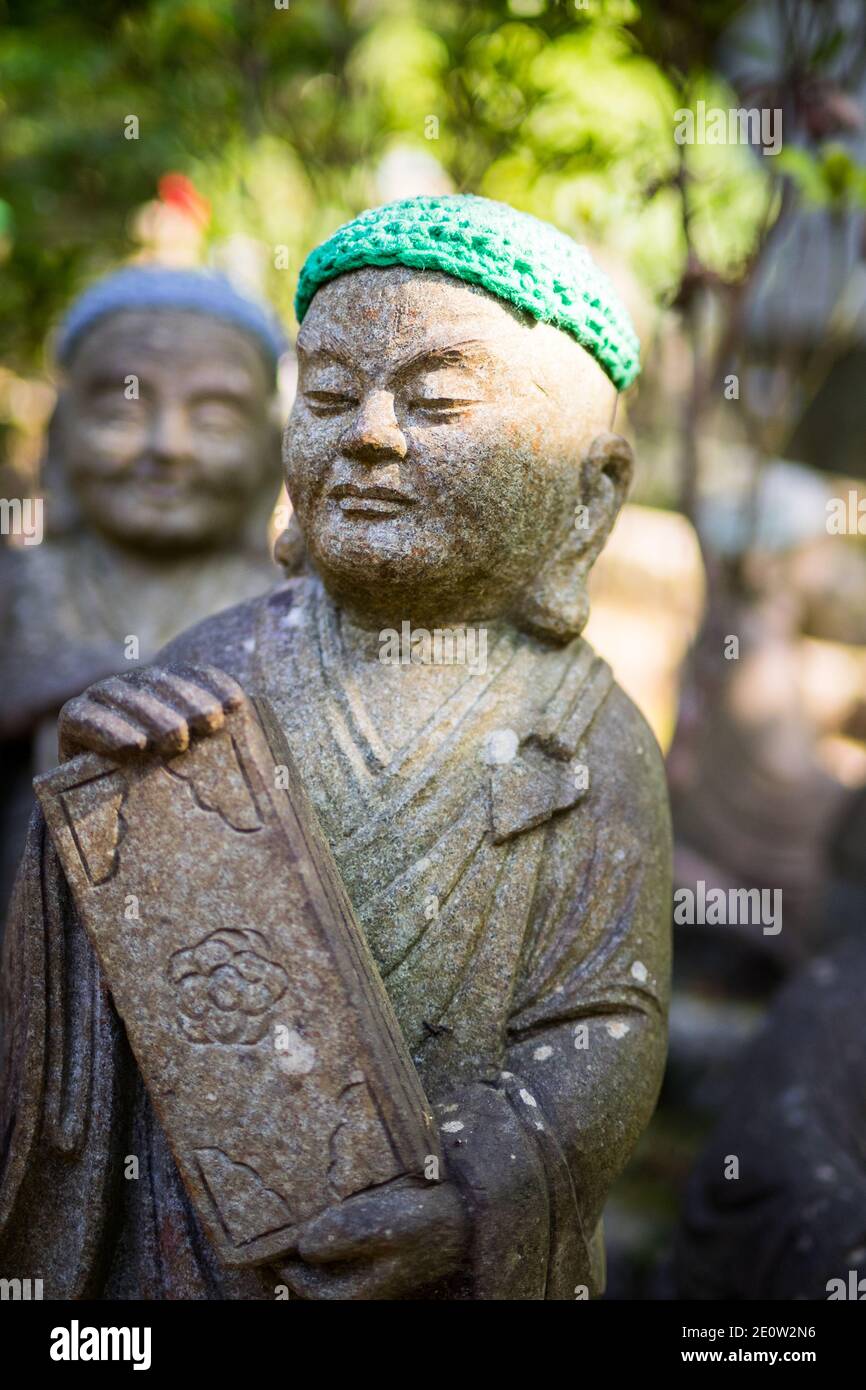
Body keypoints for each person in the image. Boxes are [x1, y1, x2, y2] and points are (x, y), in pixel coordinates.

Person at [0, 196, 671, 1300]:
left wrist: (466, 1197)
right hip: (192, 1231)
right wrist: (94, 808)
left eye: (438, 400)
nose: (367, 431)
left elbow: (605, 1020)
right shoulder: (220, 662)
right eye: (325, 393)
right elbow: (101, 973)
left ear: (589, 491)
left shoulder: (587, 729)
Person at [0, 267, 286, 920]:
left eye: (214, 419)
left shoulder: (294, 616)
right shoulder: (14, 595)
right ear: (59, 436)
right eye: (122, 411)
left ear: (271, 455)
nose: (167, 446)